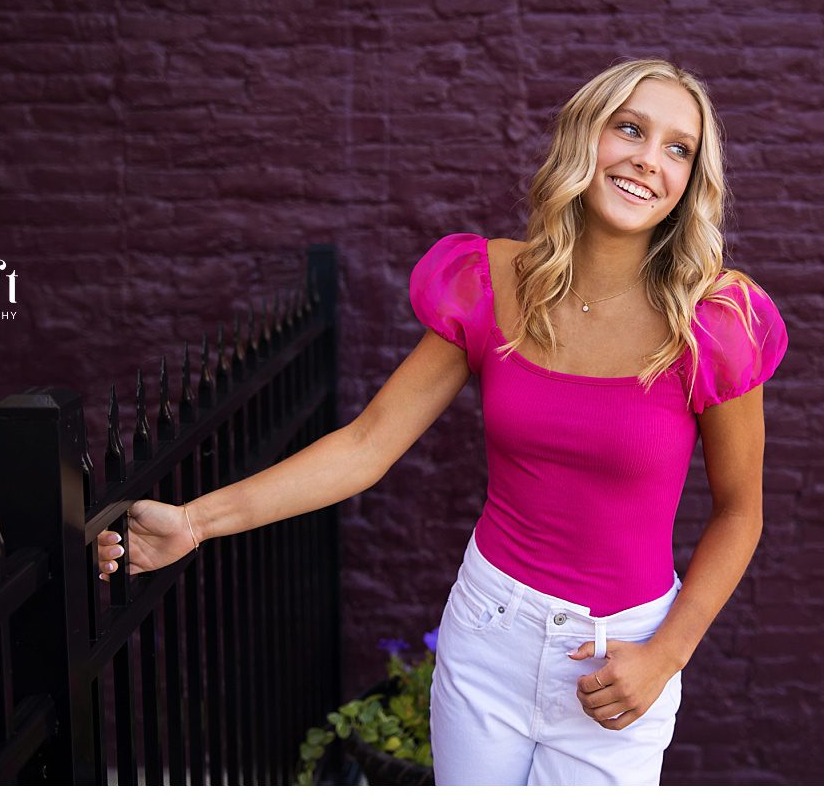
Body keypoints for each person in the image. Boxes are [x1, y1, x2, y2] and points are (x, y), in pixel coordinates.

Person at [94, 58, 787, 784]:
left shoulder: (715, 321)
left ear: (691, 180)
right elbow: (366, 445)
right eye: (631, 129)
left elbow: (740, 511)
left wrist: (666, 655)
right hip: (489, 634)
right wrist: (195, 521)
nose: (649, 159)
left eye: (678, 148)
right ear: (588, 136)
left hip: (622, 658)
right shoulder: (493, 284)